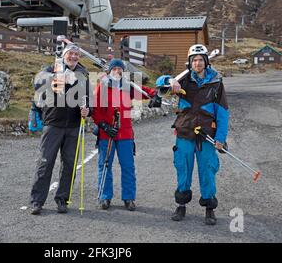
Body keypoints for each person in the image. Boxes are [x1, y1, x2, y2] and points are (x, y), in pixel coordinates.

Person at [156, 44, 229, 225]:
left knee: (208, 171)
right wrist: (169, 80)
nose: (197, 63)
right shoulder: (183, 80)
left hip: (206, 135)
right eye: (194, 60)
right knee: (183, 169)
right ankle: (181, 205)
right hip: (185, 132)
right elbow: (159, 83)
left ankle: (209, 208)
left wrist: (220, 138)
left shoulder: (216, 83)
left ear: (206, 62)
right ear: (190, 62)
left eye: (200, 60)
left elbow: (223, 113)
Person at [29, 44, 91, 215]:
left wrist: (88, 110)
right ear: (64, 55)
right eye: (70, 53)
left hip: (73, 126)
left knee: (69, 165)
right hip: (53, 123)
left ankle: (62, 199)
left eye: (76, 54)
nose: (73, 56)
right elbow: (38, 83)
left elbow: (88, 100)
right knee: (45, 162)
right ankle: (36, 201)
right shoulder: (51, 68)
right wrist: (57, 76)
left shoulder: (83, 74)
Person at [92, 59, 155, 211]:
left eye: (120, 69)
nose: (118, 71)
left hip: (125, 133)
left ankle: (129, 198)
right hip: (107, 133)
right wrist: (104, 126)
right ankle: (104, 197)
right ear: (110, 70)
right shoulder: (102, 87)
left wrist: (156, 95)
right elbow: (95, 110)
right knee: (105, 165)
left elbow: (147, 92)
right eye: (115, 69)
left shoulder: (128, 86)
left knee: (128, 166)